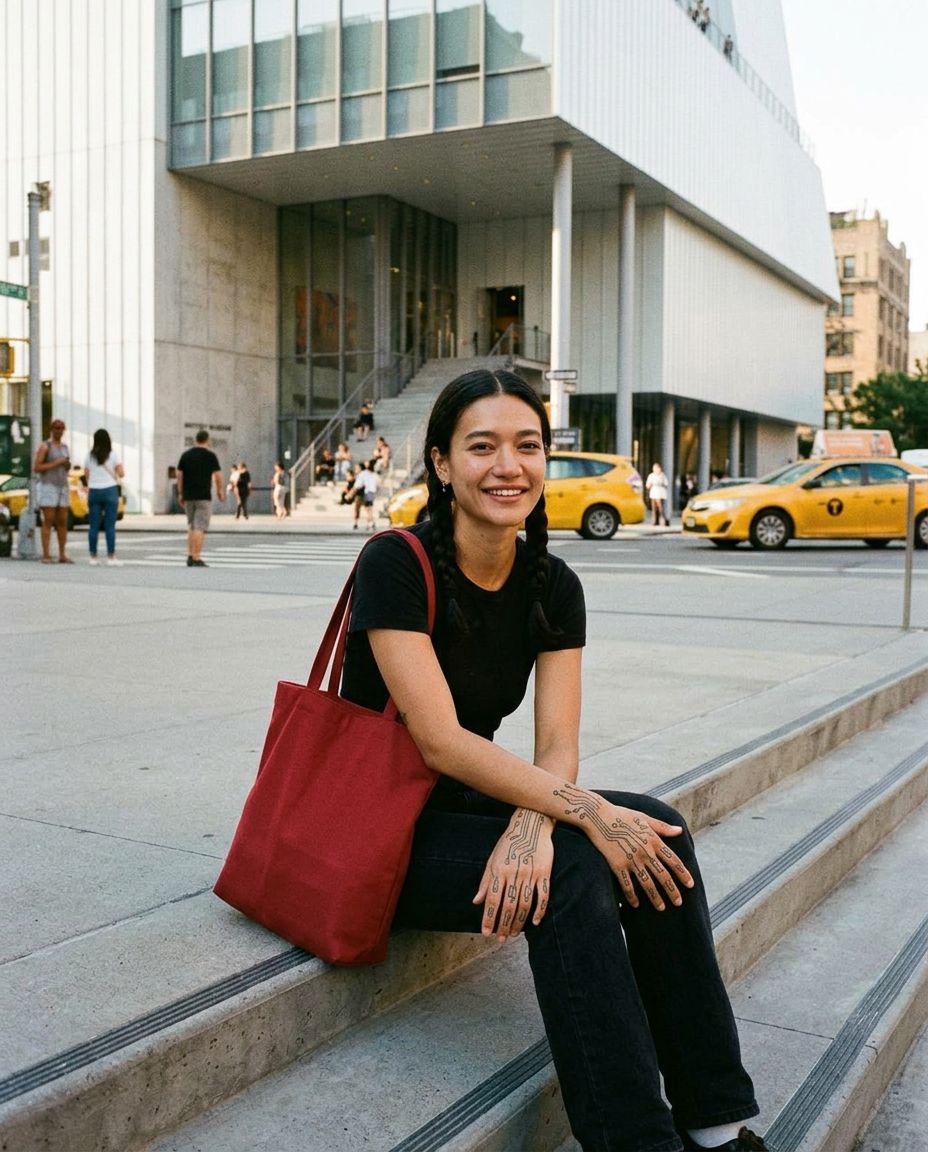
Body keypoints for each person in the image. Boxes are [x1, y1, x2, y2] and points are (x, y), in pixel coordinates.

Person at [341, 370, 767, 1152]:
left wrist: (537, 818)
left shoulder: (552, 583)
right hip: (376, 830)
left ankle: (716, 1122)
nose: (509, 466)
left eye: (527, 445)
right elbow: (437, 739)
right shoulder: (396, 563)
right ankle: (635, 1141)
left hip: (464, 802)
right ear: (440, 464)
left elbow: (558, 745)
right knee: (579, 863)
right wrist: (577, 814)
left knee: (658, 827)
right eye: (482, 447)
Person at [176, 429, 223, 567]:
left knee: (191, 525)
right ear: (207, 440)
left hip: (188, 496)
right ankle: (196, 557)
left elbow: (179, 475)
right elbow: (218, 475)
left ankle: (190, 555)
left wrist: (180, 492)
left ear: (195, 440)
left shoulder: (186, 455)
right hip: (203, 496)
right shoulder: (210, 456)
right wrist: (220, 490)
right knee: (200, 527)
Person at [82, 428, 125, 566]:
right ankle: (111, 557)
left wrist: (94, 481)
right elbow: (121, 473)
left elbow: (86, 474)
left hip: (94, 491)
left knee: (93, 526)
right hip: (110, 491)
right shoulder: (113, 455)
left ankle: (93, 557)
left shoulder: (89, 455)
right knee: (109, 526)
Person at [34, 418, 74, 564]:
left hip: (62, 485)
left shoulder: (64, 447)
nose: (59, 431)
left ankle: (62, 554)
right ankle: (46, 554)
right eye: (56, 428)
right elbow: (37, 467)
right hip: (48, 485)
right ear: (52, 430)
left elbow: (66, 466)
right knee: (48, 520)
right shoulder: (46, 446)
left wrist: (66, 464)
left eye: (61, 428)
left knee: (63, 521)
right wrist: (56, 463)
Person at [348, 458, 379, 531]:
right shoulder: (373, 474)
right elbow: (377, 483)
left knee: (368, 509)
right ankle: (371, 523)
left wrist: (351, 493)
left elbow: (358, 484)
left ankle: (370, 524)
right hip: (372, 492)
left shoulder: (364, 473)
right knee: (369, 509)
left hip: (366, 492)